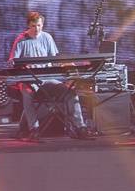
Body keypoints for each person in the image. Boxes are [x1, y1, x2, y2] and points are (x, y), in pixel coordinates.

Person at [9, 11, 91, 140]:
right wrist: (23, 66)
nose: (37, 29)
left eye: (39, 26)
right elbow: (12, 61)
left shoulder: (47, 37)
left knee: (70, 92)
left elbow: (55, 59)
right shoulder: (21, 40)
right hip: (30, 80)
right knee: (27, 94)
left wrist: (69, 64)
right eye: (33, 26)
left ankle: (80, 127)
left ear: (42, 25)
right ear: (28, 26)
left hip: (47, 79)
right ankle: (33, 129)